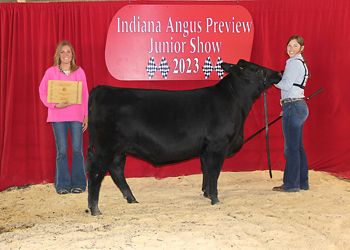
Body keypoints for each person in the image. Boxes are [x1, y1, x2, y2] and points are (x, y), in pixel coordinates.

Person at [39, 40, 89, 195]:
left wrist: (86, 115)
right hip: (58, 116)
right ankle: (62, 185)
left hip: (76, 116)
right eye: (63, 52)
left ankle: (79, 184)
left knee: (77, 149)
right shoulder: (50, 72)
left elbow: (85, 94)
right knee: (61, 150)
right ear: (58, 55)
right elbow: (43, 92)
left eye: (68, 51)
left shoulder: (79, 72)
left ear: (72, 54)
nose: (66, 54)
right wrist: (54, 105)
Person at [273, 35, 310, 192]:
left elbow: (286, 85)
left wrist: (271, 80)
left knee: (291, 148)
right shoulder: (301, 63)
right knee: (298, 147)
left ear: (301, 48)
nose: (291, 49)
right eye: (289, 45)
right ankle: (302, 182)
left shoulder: (294, 64)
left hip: (293, 106)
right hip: (298, 105)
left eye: (295, 46)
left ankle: (291, 184)